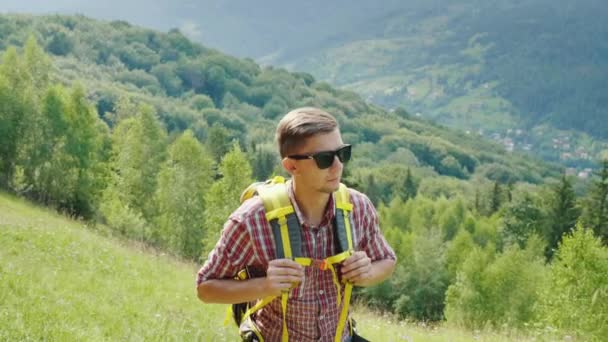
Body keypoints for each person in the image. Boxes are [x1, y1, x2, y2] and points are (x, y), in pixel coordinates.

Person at [196, 107, 396, 341]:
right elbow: (205, 288)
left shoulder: (357, 207)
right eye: (324, 159)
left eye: (342, 153)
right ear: (291, 166)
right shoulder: (252, 220)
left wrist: (368, 273)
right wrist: (266, 285)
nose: (338, 166)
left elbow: (387, 260)